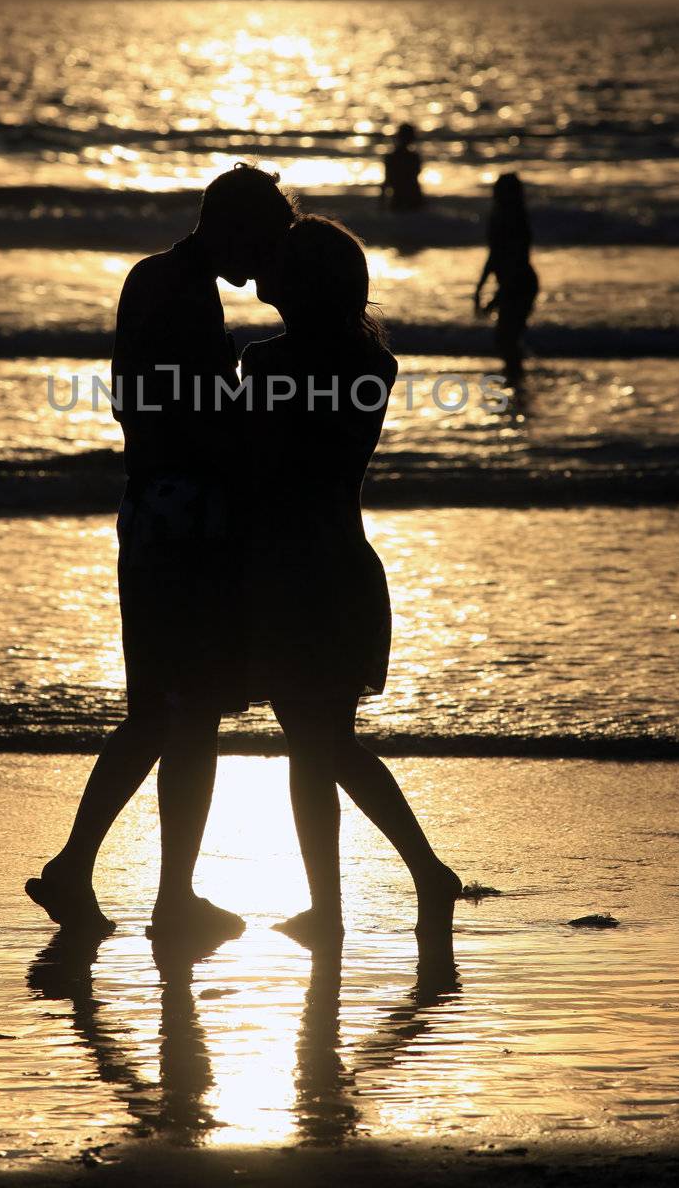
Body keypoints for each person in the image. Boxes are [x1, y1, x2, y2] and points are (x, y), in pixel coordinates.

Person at [26, 163, 296, 943]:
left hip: (153, 511)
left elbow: (138, 402)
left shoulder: (162, 281)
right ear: (230, 228)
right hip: (185, 517)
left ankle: (81, 870)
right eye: (265, 237)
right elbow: (178, 413)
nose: (270, 256)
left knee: (155, 712)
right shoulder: (179, 291)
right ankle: (166, 894)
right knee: (192, 713)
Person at [241, 216, 462, 948]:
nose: (260, 266)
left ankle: (378, 891)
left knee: (316, 745)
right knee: (324, 743)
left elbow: (252, 463)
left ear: (299, 280)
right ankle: (400, 882)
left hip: (293, 572)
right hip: (343, 563)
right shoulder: (373, 363)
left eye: (276, 258)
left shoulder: (267, 363)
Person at [473, 172, 539, 384]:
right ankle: (517, 376)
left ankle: (517, 377)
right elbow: (493, 256)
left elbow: (517, 261)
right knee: (506, 337)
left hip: (521, 283)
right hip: (511, 283)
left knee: (506, 337)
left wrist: (496, 296)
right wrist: (480, 288)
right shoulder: (498, 217)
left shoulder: (517, 220)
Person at [381, 123, 424, 213]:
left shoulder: (392, 157)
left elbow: (387, 181)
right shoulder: (413, 157)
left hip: (399, 198)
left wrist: (382, 201)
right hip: (411, 198)